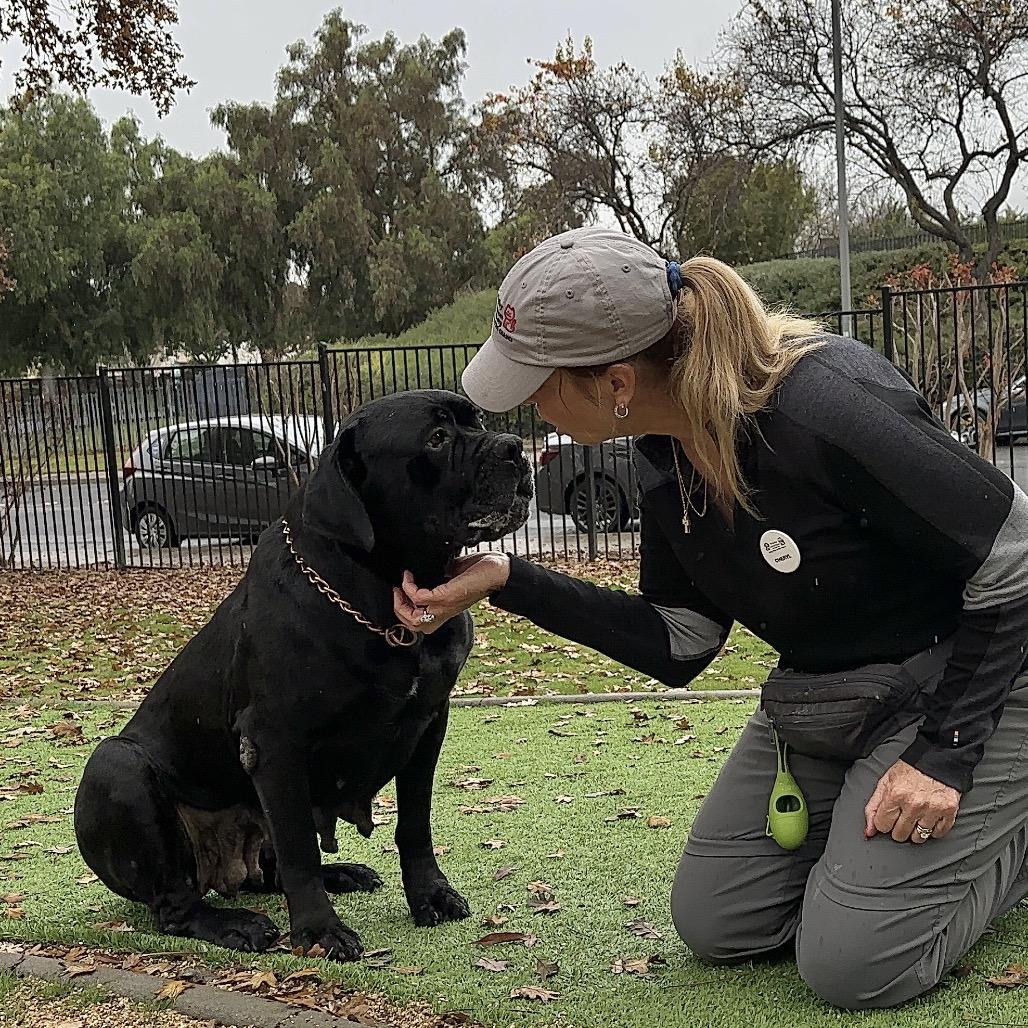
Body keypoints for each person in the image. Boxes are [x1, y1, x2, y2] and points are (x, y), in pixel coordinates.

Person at [392, 226, 1028, 1010]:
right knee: (718, 921)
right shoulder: (662, 450)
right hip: (835, 698)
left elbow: (1015, 554)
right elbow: (682, 639)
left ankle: (1003, 826)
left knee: (853, 967)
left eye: (539, 383)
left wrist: (943, 758)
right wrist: (505, 579)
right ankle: (884, 865)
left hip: (973, 682)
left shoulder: (824, 405)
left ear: (616, 379)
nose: (526, 404)